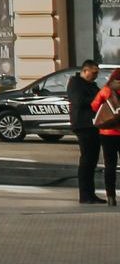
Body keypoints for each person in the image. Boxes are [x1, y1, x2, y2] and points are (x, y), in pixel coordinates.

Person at [68, 59, 103, 204]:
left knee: (92, 161)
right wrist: (97, 98)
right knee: (87, 160)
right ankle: (84, 195)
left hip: (94, 125)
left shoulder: (92, 85)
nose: (95, 76)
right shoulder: (75, 83)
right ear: (85, 70)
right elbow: (80, 101)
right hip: (83, 125)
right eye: (93, 73)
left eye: (97, 73)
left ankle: (91, 194)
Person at [94, 67, 120, 207]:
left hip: (107, 133)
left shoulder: (106, 90)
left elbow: (94, 106)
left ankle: (111, 197)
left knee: (110, 165)